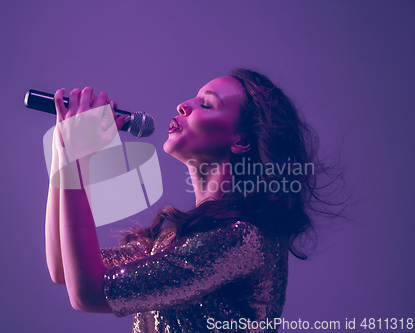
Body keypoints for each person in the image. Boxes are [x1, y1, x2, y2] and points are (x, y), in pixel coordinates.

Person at [45, 69, 341, 332]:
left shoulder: (241, 239)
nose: (183, 106)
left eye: (207, 104)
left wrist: (75, 155)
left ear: (241, 141)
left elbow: (89, 292)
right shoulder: (171, 240)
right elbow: (63, 267)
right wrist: (64, 144)